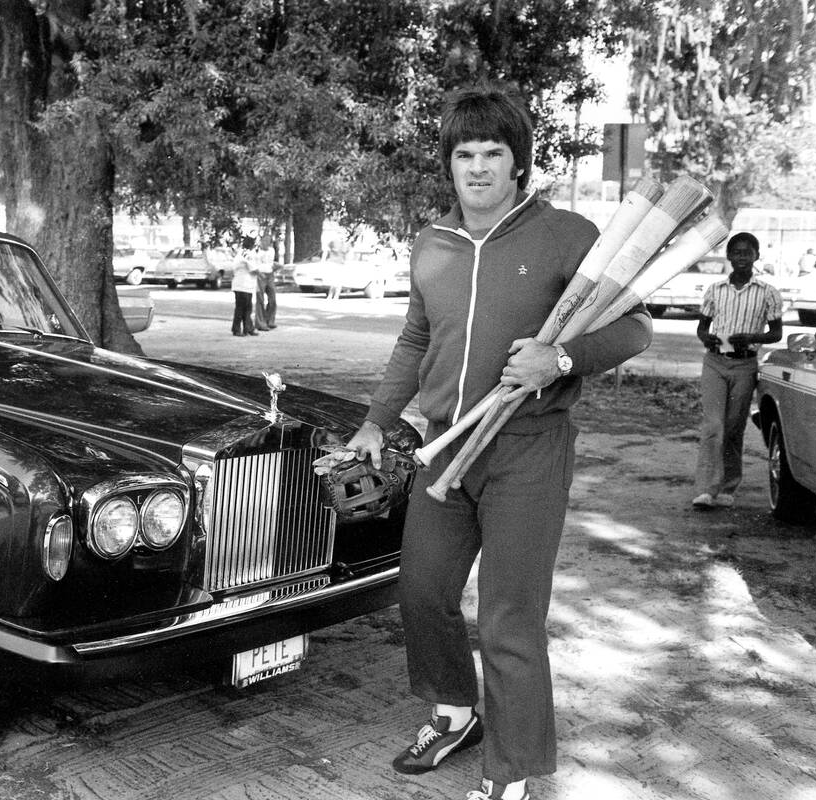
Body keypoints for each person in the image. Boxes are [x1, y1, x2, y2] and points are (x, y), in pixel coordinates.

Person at [345, 86, 652, 800]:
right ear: (449, 166)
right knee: (422, 589)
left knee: (511, 617)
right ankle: (454, 710)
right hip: (446, 449)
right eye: (464, 155)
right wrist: (375, 420)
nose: (478, 168)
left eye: (493, 154)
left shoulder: (569, 236)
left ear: (518, 165)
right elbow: (416, 338)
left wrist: (561, 361)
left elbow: (635, 327)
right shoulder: (432, 244)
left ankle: (510, 771)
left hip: (529, 448)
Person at [691, 232, 783, 509]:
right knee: (713, 426)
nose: (742, 258)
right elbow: (702, 327)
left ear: (756, 256)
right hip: (715, 362)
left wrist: (753, 337)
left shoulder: (767, 292)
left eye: (748, 253)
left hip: (744, 364)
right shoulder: (715, 290)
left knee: (733, 428)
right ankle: (706, 489)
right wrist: (706, 338)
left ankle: (728, 487)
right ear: (729, 257)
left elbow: (776, 333)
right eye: (737, 253)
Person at [230, 244, 259, 337]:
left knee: (247, 308)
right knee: (241, 308)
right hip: (243, 284)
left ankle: (248, 327)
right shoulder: (247, 254)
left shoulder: (240, 253)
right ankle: (237, 329)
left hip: (245, 285)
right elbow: (253, 269)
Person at [253, 236, 278, 330]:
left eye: (268, 241)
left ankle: (270, 320)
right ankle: (260, 323)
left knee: (273, 299)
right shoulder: (256, 252)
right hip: (260, 275)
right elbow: (254, 265)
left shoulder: (272, 251)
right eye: (264, 241)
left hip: (270, 275)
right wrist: (258, 274)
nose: (266, 243)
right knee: (260, 299)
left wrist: (276, 266)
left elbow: (271, 263)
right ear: (261, 241)